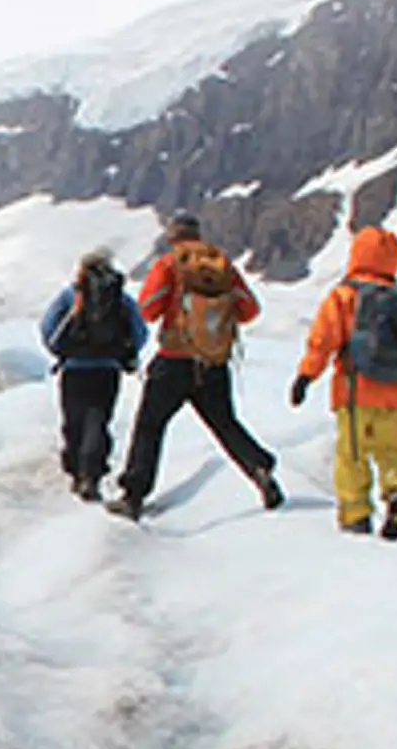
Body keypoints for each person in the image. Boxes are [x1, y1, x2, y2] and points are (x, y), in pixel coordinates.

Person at [106, 212, 284, 520]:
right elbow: (250, 310)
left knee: (149, 426)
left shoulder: (168, 264)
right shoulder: (221, 264)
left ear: (172, 237)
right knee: (225, 424)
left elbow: (147, 309)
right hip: (213, 363)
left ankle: (133, 496)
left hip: (173, 362)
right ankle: (259, 470)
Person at [289, 226, 397, 539]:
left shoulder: (345, 296)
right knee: (394, 453)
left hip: (356, 393)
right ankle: (396, 493)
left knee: (352, 456)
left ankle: (356, 515)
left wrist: (306, 375)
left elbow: (323, 340)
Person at [38, 248, 148, 502]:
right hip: (108, 370)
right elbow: (139, 330)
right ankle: (92, 475)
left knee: (73, 422)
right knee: (98, 420)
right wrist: (123, 355)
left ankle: (77, 472)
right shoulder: (119, 297)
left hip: (74, 369)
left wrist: (62, 351)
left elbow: (48, 328)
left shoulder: (70, 295)